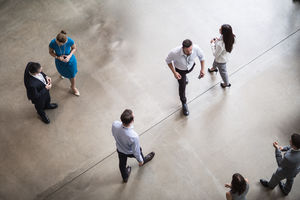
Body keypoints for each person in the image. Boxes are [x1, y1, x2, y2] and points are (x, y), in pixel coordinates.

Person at [112, 109, 155, 183]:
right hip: (130, 152)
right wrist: (140, 160)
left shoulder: (115, 124)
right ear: (132, 121)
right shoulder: (133, 136)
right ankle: (143, 161)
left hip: (120, 149)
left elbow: (114, 134)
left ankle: (125, 177)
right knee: (139, 151)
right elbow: (136, 151)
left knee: (122, 164)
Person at [165, 39, 205, 116]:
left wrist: (202, 69)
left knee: (185, 76)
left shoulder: (196, 48)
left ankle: (185, 77)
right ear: (183, 48)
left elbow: (202, 57)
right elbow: (168, 61)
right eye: (187, 51)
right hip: (180, 71)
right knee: (182, 87)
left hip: (190, 67)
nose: (190, 52)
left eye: (191, 50)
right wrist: (174, 72)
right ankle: (184, 103)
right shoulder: (174, 52)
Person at [49, 30, 80, 96]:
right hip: (59, 61)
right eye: (59, 43)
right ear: (56, 40)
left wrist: (69, 56)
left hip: (70, 60)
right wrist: (58, 57)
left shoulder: (70, 41)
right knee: (61, 71)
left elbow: (74, 48)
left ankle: (73, 87)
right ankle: (62, 74)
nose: (60, 45)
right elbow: (51, 52)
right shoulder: (52, 43)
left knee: (72, 74)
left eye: (62, 44)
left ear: (66, 41)